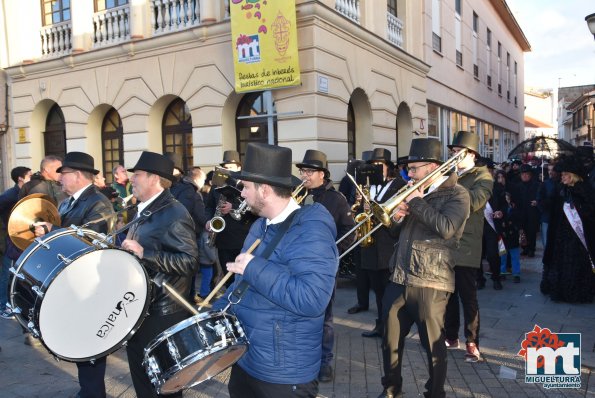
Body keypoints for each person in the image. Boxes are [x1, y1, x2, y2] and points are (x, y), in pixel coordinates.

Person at [212, 143, 338, 397]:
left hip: (284, 374)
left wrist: (253, 267)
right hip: (247, 360)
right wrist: (215, 312)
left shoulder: (311, 229)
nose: (242, 194)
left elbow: (312, 299)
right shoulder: (260, 226)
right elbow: (242, 287)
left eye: (246, 187)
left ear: (265, 190)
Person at [379, 138, 470, 398]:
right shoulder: (416, 191)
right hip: (400, 275)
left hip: (431, 279)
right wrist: (397, 217)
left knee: (433, 346)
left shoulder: (457, 193)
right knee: (389, 338)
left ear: (431, 167)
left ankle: (435, 393)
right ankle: (391, 388)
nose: (409, 174)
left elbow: (446, 228)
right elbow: (399, 232)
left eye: (414, 168)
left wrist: (416, 203)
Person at [32, 152, 115, 398]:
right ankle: (87, 391)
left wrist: (53, 230)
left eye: (64, 174)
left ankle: (93, 393)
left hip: (90, 282)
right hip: (71, 279)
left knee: (90, 343)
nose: (60, 180)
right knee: (80, 340)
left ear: (78, 175)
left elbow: (91, 238)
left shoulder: (99, 202)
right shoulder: (67, 202)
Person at [120, 151, 198, 398]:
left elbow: (189, 262)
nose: (132, 179)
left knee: (165, 386)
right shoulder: (144, 209)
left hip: (163, 312)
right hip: (143, 305)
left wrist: (145, 253)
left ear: (154, 178)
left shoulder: (174, 213)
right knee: (143, 381)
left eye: (138, 175)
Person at [297, 149, 356, 383]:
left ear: (322, 174)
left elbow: (349, 232)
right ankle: (302, 359)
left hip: (323, 268)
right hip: (296, 265)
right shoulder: (296, 196)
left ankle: (324, 362)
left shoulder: (337, 199)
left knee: (324, 317)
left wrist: (332, 254)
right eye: (302, 170)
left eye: (309, 171)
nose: (304, 175)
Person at [443, 131, 493, 363]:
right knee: (448, 295)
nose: (453, 156)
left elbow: (473, 202)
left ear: (471, 154)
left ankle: (472, 343)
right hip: (446, 241)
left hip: (467, 244)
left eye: (457, 152)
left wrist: (450, 183)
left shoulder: (483, 176)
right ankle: (451, 337)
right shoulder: (448, 174)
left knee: (468, 296)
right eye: (452, 152)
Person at [349, 148, 406, 340]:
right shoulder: (365, 186)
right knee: (378, 291)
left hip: (389, 245)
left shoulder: (398, 185)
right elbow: (356, 214)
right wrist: (359, 207)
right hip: (370, 246)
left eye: (379, 166)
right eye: (372, 166)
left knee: (390, 291)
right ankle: (381, 324)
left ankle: (392, 327)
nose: (375, 169)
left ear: (388, 167)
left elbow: (400, 215)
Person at [540, 156, 595, 303]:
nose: (562, 177)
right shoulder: (560, 190)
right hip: (561, 234)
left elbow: (590, 212)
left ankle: (575, 292)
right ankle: (560, 290)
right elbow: (553, 209)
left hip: (577, 237)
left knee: (576, 262)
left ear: (573, 176)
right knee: (560, 261)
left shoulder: (584, 191)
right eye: (562, 174)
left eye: (565, 175)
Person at [205, 150, 256, 289]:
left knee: (243, 276)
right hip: (223, 238)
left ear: (239, 168)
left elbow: (255, 209)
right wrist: (208, 220)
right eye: (225, 168)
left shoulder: (247, 184)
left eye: (231, 167)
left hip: (242, 238)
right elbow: (209, 206)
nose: (228, 170)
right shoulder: (217, 184)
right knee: (227, 275)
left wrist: (232, 207)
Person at [0, 166, 32, 319]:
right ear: (20, 178)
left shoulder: (23, 193)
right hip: (9, 240)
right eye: (29, 175)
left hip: (20, 240)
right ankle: (2, 306)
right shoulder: (9, 195)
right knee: (6, 273)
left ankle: (11, 303)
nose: (31, 178)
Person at [515, 164, 541, 257]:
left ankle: (531, 249)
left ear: (530, 175)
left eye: (526, 174)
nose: (524, 176)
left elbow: (540, 197)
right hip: (521, 211)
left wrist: (537, 201)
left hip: (532, 212)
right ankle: (525, 248)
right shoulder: (518, 186)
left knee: (532, 231)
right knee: (523, 230)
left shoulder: (537, 185)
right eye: (523, 174)